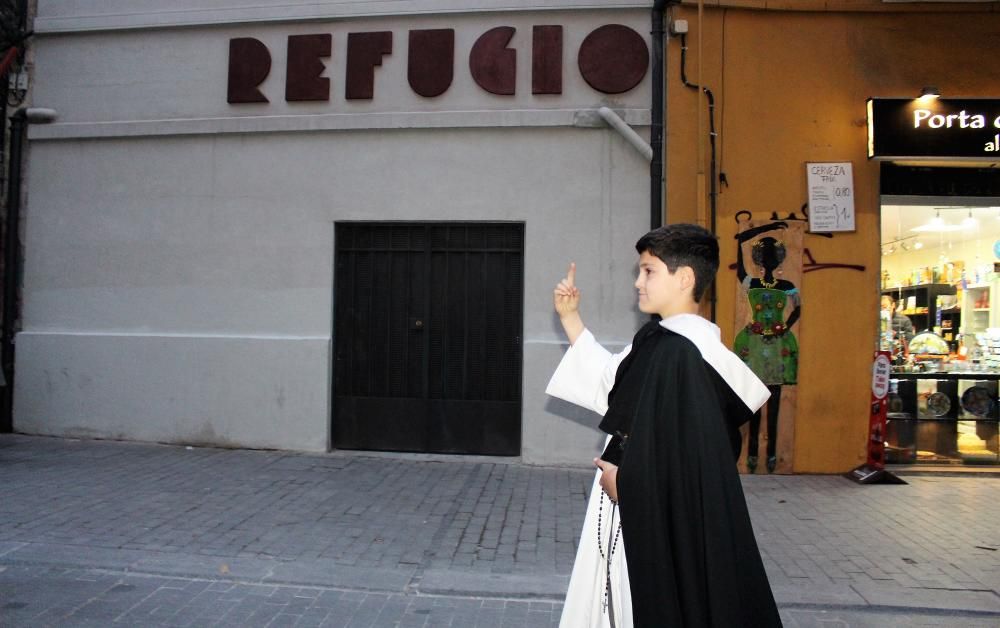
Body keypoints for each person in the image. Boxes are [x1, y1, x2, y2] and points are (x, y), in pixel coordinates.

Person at [547, 224, 783, 627]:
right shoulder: (661, 341)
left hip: (644, 515)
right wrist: (571, 318)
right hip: (636, 509)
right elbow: (611, 383)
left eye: (648, 271)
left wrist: (628, 488)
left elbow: (693, 464)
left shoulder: (683, 355)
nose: (638, 282)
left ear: (685, 278)